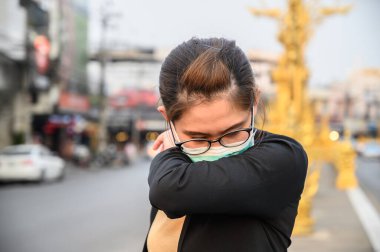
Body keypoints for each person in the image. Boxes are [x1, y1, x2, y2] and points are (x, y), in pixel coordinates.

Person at [143, 37, 308, 252]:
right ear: (168, 119)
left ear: (254, 102)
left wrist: (169, 153)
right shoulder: (179, 163)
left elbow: (167, 189)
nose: (216, 149)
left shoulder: (284, 157)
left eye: (232, 133)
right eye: (198, 137)